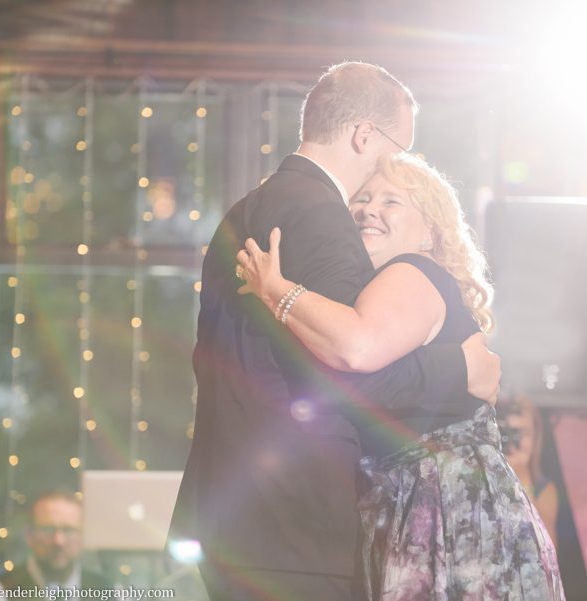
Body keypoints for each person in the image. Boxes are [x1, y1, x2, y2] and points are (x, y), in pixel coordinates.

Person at [169, 62, 501, 601]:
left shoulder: (244, 209)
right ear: (364, 134)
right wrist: (462, 368)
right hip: (294, 527)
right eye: (396, 146)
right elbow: (350, 370)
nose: (391, 166)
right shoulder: (321, 216)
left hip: (230, 514)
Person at [237, 153, 565, 600]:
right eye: (363, 198)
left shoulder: (413, 269)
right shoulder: (384, 290)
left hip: (450, 514)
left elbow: (357, 350)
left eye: (392, 201)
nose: (370, 208)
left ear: (430, 231)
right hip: (430, 508)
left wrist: (276, 290)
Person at [0, 491, 112, 596]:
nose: (58, 541)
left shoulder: (109, 592)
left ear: (82, 535)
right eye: (47, 529)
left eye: (68, 530)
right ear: (29, 535)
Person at [502, 394, 560, 549]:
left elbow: (549, 549)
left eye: (524, 433)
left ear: (535, 439)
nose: (517, 441)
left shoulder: (543, 488)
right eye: (511, 433)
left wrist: (523, 479)